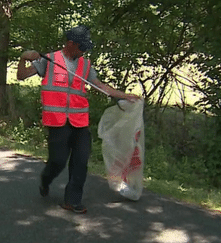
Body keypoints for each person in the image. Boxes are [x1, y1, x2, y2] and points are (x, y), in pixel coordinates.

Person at [16, 25, 140, 214]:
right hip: (57, 121)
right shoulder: (49, 60)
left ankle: (72, 201)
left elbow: (101, 86)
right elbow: (21, 76)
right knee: (57, 161)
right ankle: (45, 180)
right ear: (70, 43)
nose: (84, 51)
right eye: (81, 46)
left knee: (81, 161)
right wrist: (24, 57)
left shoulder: (85, 65)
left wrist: (124, 96)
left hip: (80, 121)